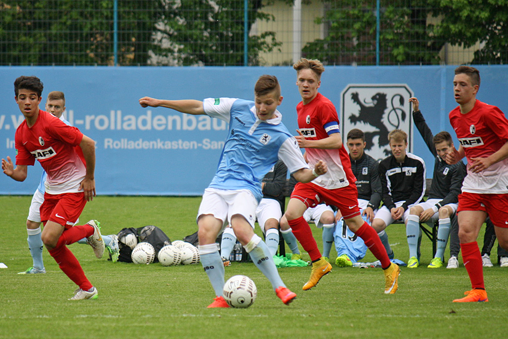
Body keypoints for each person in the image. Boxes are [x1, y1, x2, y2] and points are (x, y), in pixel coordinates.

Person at [139, 74, 328, 308]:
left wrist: (316, 172)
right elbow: (198, 106)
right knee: (205, 234)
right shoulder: (237, 107)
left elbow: (301, 174)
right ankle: (221, 296)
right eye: (258, 101)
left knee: (241, 230)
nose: (261, 107)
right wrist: (160, 102)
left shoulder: (282, 136)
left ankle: (280, 287)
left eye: (267, 103)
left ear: (279, 100)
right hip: (219, 184)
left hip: (246, 188)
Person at [284, 58, 400, 294]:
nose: (306, 84)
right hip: (316, 176)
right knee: (292, 215)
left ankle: (389, 268)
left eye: (311, 81)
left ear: (318, 84)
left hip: (338, 178)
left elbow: (337, 141)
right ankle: (319, 262)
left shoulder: (324, 106)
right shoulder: (300, 108)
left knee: (355, 224)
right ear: (296, 82)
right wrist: (307, 161)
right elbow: (313, 148)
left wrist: (307, 142)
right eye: (302, 80)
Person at [2, 76, 105, 300]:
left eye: (32, 98)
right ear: (16, 100)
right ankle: (87, 286)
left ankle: (89, 237)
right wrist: (12, 173)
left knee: (48, 237)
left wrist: (89, 177)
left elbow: (88, 143)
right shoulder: (21, 133)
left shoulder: (52, 123)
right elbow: (22, 173)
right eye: (22, 98)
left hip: (75, 185)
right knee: (54, 242)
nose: (27, 102)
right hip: (52, 189)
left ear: (39, 100)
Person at [18, 91, 120, 275]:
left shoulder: (61, 126)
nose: (53, 110)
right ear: (44, 105)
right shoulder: (36, 124)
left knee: (55, 235)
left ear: (64, 109)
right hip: (47, 187)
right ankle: (38, 267)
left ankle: (99, 236)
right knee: (33, 225)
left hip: (67, 189)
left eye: (57, 107)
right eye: (50, 106)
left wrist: (88, 178)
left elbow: (86, 147)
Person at [445, 66, 508, 302]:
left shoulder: (489, 113)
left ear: (475, 88)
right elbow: (468, 143)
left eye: (462, 85)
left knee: (505, 242)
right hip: (473, 184)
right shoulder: (454, 115)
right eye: (454, 84)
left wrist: (490, 160)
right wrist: (459, 155)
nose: (457, 89)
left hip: (500, 183)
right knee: (465, 231)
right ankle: (478, 291)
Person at [407, 97, 466, 268]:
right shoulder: (439, 157)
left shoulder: (458, 165)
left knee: (443, 212)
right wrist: (416, 111)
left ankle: (438, 258)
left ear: (452, 146)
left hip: (451, 203)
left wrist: (435, 207)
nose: (441, 153)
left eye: (445, 149)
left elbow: (454, 194)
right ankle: (413, 258)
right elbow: (425, 132)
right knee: (414, 210)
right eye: (439, 150)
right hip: (434, 200)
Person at [371, 129, 426, 262]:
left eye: (400, 145)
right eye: (394, 146)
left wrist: (405, 207)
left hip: (411, 204)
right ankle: (388, 253)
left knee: (411, 221)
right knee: (375, 225)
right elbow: (385, 191)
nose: (397, 149)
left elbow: (419, 191)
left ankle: (413, 257)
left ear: (406, 145)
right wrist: (391, 207)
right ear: (390, 146)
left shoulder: (418, 162)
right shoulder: (384, 165)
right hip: (392, 205)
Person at [220, 159, 288, 265]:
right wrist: (262, 186)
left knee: (271, 224)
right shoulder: (247, 160)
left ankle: (269, 259)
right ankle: (223, 258)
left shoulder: (279, 163)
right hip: (248, 198)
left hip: (270, 201)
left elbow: (276, 189)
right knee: (234, 223)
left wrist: (255, 185)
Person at [334, 128, 382, 267]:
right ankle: (337, 255)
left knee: (364, 219)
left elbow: (377, 191)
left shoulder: (373, 164)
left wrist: (371, 206)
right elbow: (335, 189)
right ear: (346, 145)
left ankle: (352, 255)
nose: (354, 148)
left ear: (364, 144)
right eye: (351, 145)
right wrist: (339, 207)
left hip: (366, 204)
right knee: (337, 220)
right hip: (345, 203)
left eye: (358, 144)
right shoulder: (341, 164)